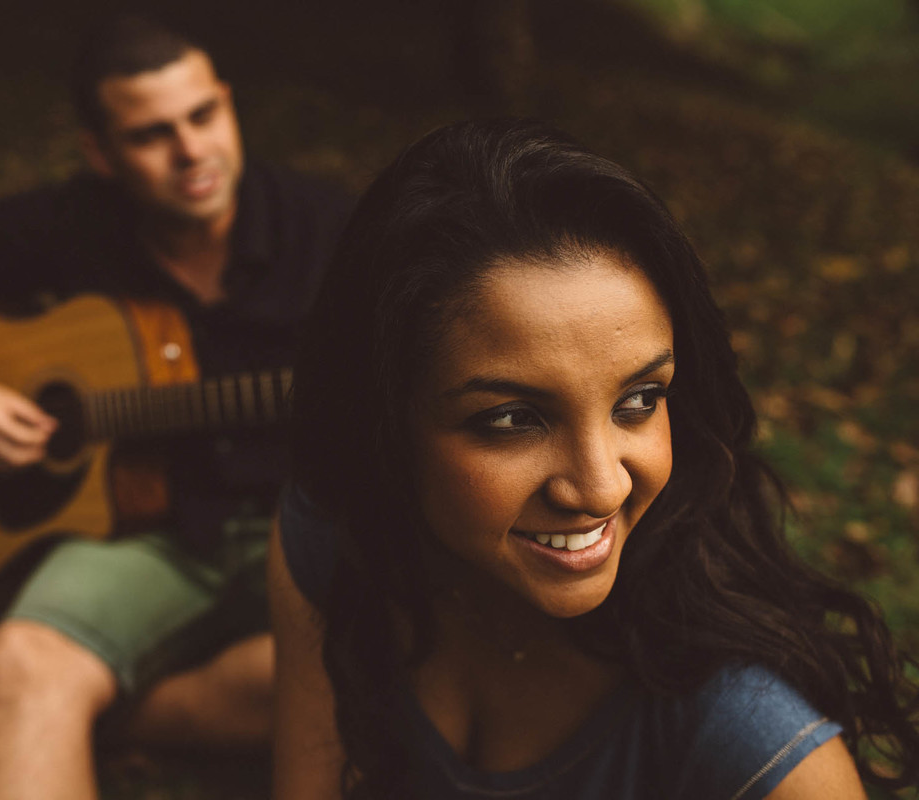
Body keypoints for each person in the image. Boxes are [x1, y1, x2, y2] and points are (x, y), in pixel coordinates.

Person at [269, 118, 919, 799]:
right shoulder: (338, 530)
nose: (602, 487)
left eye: (639, 400)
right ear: (383, 420)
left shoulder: (757, 745)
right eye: (514, 418)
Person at [0, 12, 349, 800]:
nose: (192, 152)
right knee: (25, 659)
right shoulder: (72, 221)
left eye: (203, 116)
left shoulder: (332, 230)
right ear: (99, 152)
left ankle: (102, 715)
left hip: (305, 524)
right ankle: (40, 700)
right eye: (151, 135)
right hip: (142, 532)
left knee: (361, 673)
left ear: (227, 101)